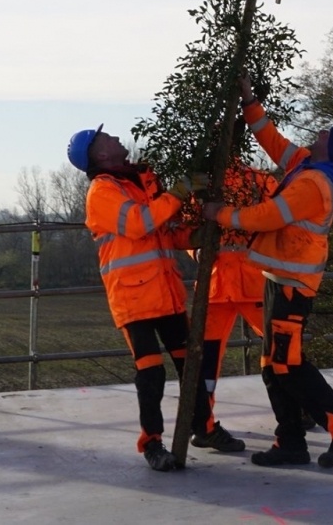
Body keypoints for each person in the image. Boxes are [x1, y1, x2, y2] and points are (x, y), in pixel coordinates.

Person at [203, 83, 333, 469]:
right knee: (272, 365)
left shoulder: (314, 183)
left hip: (292, 287)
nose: (319, 133)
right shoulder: (309, 165)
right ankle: (290, 441)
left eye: (325, 134)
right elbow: (273, 141)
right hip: (278, 281)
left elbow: (269, 216)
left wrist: (221, 214)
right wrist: (248, 100)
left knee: (288, 364)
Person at [69, 124, 237, 471]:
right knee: (151, 373)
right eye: (107, 137)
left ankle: (204, 429)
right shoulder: (102, 190)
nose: (115, 137)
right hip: (133, 300)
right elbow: (139, 223)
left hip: (166, 293)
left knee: (191, 363)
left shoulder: (140, 181)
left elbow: (166, 232)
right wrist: (181, 190)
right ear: (100, 154)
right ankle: (152, 443)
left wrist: (198, 233)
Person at [198, 157, 278, 449]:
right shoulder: (259, 180)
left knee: (277, 348)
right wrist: (199, 253)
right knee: (279, 347)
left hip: (235, 283)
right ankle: (203, 423)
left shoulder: (206, 183)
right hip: (231, 284)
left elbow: (277, 221)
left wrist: (200, 254)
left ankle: (202, 425)